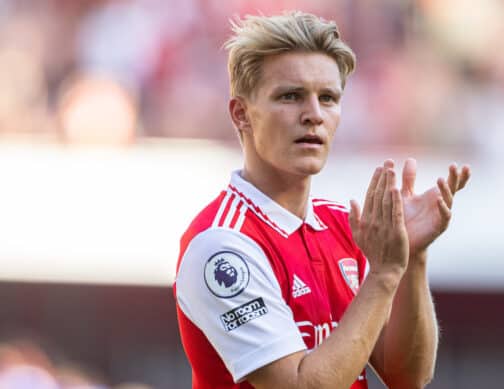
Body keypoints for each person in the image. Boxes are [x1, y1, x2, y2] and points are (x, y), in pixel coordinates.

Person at [174, 11, 470, 389]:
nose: (313, 115)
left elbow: (407, 375)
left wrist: (411, 259)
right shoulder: (221, 245)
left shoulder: (345, 227)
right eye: (290, 96)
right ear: (241, 114)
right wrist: (382, 275)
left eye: (328, 98)